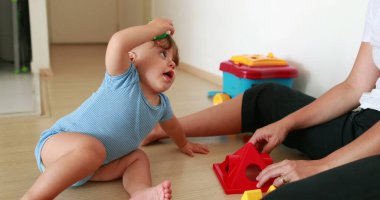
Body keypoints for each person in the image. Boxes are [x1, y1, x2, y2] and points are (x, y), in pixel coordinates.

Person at [142, 1, 380, 199]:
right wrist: (286, 123)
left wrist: (322, 167)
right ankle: (161, 129)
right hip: (364, 125)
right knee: (266, 96)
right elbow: (354, 86)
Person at [22, 18, 209, 200]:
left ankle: (140, 192)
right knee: (92, 149)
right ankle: (34, 196)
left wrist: (183, 143)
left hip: (92, 168)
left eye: (174, 61)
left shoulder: (162, 105)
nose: (172, 63)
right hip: (57, 146)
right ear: (131, 58)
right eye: (163, 54)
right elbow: (118, 42)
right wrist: (152, 29)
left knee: (138, 158)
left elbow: (173, 127)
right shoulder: (123, 79)